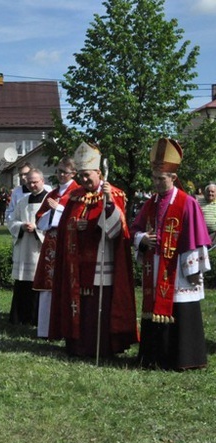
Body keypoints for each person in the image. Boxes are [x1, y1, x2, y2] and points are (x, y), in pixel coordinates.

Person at [49, 143, 138, 358]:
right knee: (79, 304)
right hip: (76, 264)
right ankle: (77, 345)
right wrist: (75, 225)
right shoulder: (75, 196)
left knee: (99, 306)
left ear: (99, 173)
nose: (84, 180)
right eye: (80, 176)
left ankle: (102, 347)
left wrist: (108, 204)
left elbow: (117, 230)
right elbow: (64, 226)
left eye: (88, 175)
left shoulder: (114, 193)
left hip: (102, 261)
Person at [132, 138, 211, 370]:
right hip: (156, 265)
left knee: (181, 308)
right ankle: (154, 358)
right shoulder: (151, 203)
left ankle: (184, 359)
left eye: (161, 179)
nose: (156, 183)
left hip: (179, 267)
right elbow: (135, 229)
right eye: (154, 178)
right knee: (156, 307)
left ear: (173, 178)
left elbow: (196, 237)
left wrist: (195, 270)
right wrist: (142, 239)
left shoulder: (187, 203)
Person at [33, 157, 78, 338]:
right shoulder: (52, 193)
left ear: (73, 173)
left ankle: (64, 328)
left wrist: (58, 209)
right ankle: (45, 329)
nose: (60, 175)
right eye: (58, 171)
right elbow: (39, 218)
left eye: (64, 172)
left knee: (66, 285)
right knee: (48, 286)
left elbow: (76, 217)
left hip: (69, 244)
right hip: (51, 245)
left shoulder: (78, 192)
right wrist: (52, 211)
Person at [8, 169, 49, 326]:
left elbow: (55, 225)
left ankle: (36, 318)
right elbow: (12, 221)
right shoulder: (22, 201)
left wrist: (37, 230)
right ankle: (20, 317)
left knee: (38, 283)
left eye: (35, 182)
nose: (32, 185)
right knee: (22, 284)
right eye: (29, 182)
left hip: (39, 247)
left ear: (42, 181)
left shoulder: (49, 200)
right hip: (24, 247)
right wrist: (21, 226)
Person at [201, 183, 216, 247]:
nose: (210, 193)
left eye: (212, 192)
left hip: (214, 234)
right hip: (201, 233)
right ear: (205, 192)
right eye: (208, 191)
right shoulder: (198, 202)